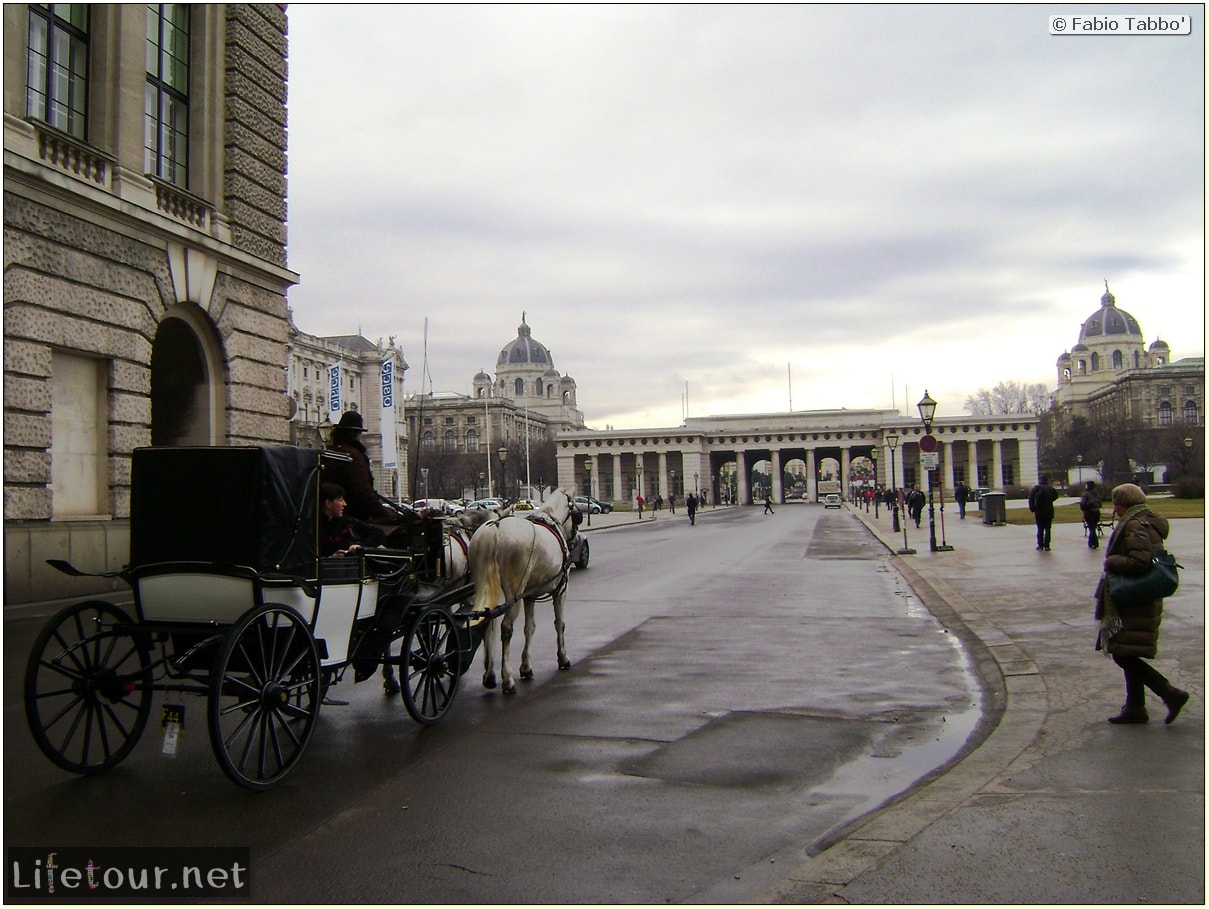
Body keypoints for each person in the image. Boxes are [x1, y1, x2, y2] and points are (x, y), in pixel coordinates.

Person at [1095, 483, 1189, 725]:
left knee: (1123, 655)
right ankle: (1135, 707)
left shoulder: (1134, 524)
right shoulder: (1146, 520)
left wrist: (1111, 561)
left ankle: (1170, 693)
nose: (1114, 508)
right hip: (1141, 599)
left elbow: (1139, 562)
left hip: (1134, 600)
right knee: (1127, 651)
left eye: (1116, 503)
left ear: (1125, 503)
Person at [325, 410, 420, 539]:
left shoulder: (333, 452)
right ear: (357, 434)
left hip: (337, 515)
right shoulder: (353, 456)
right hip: (352, 517)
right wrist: (388, 515)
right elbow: (363, 493)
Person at [1028, 474, 1060, 551]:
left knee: (1040, 528)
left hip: (1039, 511)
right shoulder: (1051, 489)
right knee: (1048, 528)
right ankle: (1047, 545)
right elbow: (1056, 496)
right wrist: (1050, 501)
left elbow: (1031, 498)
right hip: (1049, 510)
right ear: (1047, 480)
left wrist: (1032, 508)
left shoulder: (1036, 488)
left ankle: (1040, 545)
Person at [1080, 480, 1103, 550]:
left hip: (1089, 513)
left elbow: (1083, 504)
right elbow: (1100, 505)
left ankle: (1092, 543)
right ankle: (1094, 543)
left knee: (1091, 528)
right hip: (1096, 513)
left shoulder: (1086, 494)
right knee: (1093, 527)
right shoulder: (1096, 494)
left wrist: (1085, 507)